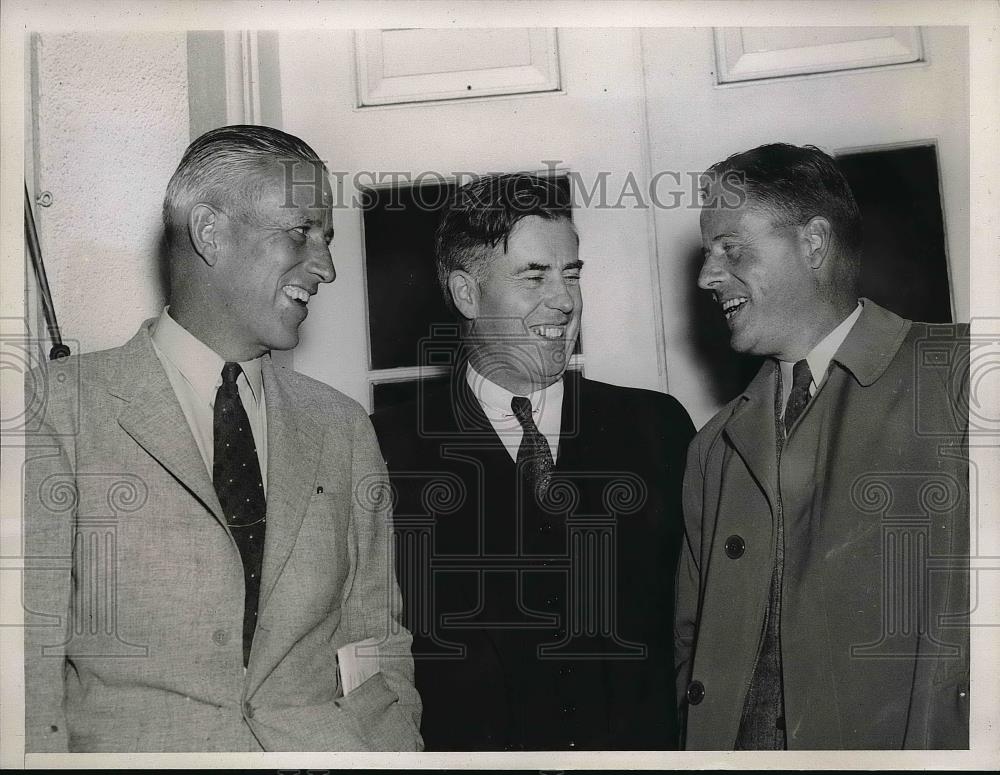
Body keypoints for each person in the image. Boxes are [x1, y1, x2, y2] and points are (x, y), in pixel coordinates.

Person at [23, 125, 422, 752]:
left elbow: (373, 638)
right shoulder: (56, 410)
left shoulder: (342, 427)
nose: (326, 266)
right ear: (210, 232)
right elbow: (23, 674)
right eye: (300, 231)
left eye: (327, 239)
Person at [371, 173, 695, 750]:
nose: (565, 301)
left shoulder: (658, 430)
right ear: (466, 294)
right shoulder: (386, 450)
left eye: (571, 275)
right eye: (535, 276)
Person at [676, 143, 969, 750]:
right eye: (708, 253)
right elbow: (691, 643)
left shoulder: (962, 376)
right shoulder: (713, 450)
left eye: (730, 247)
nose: (707, 275)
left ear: (812, 244)